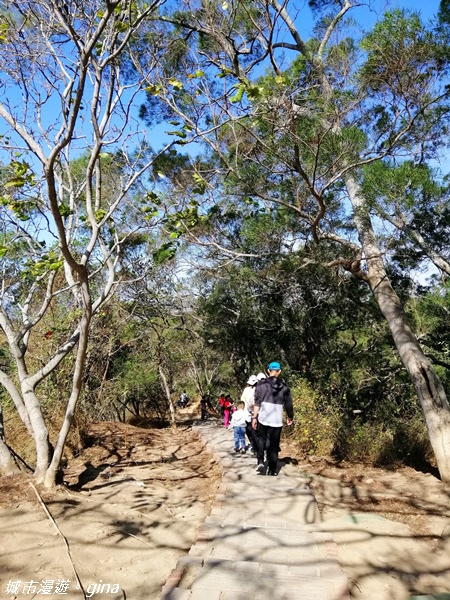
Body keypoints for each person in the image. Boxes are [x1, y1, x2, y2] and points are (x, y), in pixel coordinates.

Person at [252, 361, 293, 476]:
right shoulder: (285, 387)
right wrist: (290, 417)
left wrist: (254, 417)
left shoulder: (260, 384)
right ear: (279, 372)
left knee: (261, 439)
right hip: (277, 421)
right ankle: (273, 470)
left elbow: (257, 403)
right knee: (274, 445)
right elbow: (289, 404)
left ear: (268, 371)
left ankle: (260, 461)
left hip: (263, 418)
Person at [241, 375, 258, 453]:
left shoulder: (256, 390)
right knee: (250, 430)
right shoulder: (247, 390)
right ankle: (254, 445)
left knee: (252, 430)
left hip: (253, 414)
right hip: (249, 413)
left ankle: (255, 446)